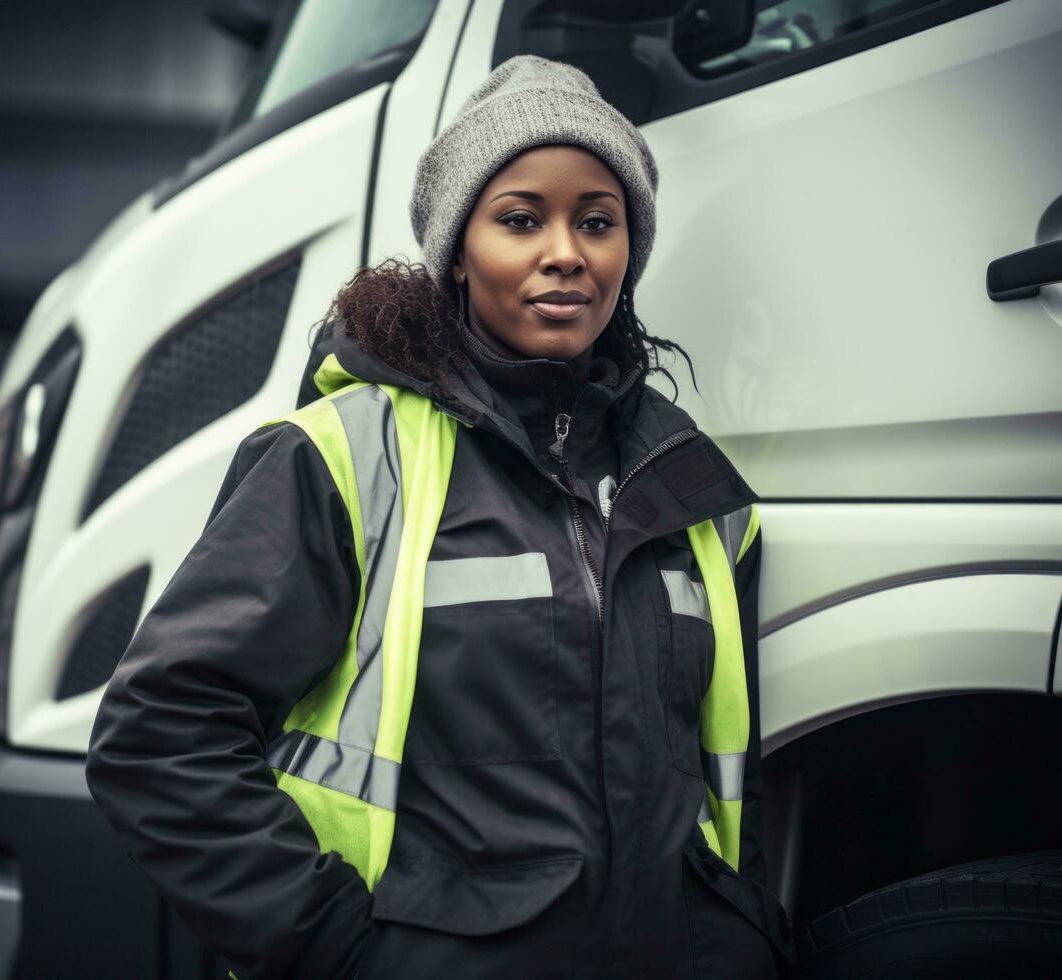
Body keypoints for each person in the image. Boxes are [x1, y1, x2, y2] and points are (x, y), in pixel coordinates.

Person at [86, 55, 795, 979]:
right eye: (518, 219)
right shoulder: (340, 455)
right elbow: (158, 731)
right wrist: (334, 950)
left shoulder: (694, 493)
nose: (565, 253)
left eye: (596, 221)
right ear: (457, 251)